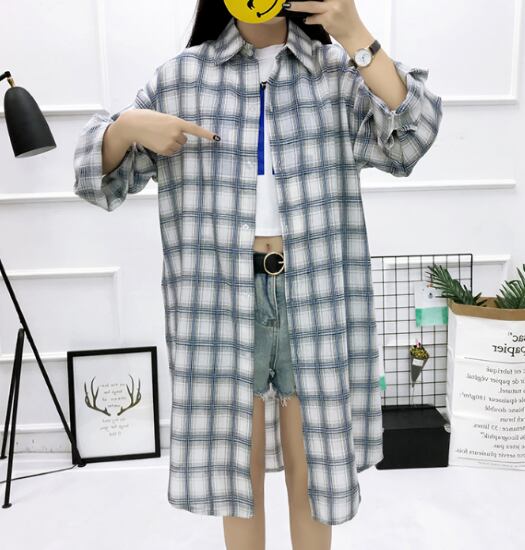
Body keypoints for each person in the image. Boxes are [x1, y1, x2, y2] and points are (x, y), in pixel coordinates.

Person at [73, 1, 443, 549]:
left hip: (314, 291)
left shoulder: (335, 72)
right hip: (221, 295)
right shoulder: (182, 78)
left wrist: (356, 34)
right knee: (235, 464)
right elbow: (94, 178)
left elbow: (413, 135)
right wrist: (126, 127)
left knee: (311, 461)